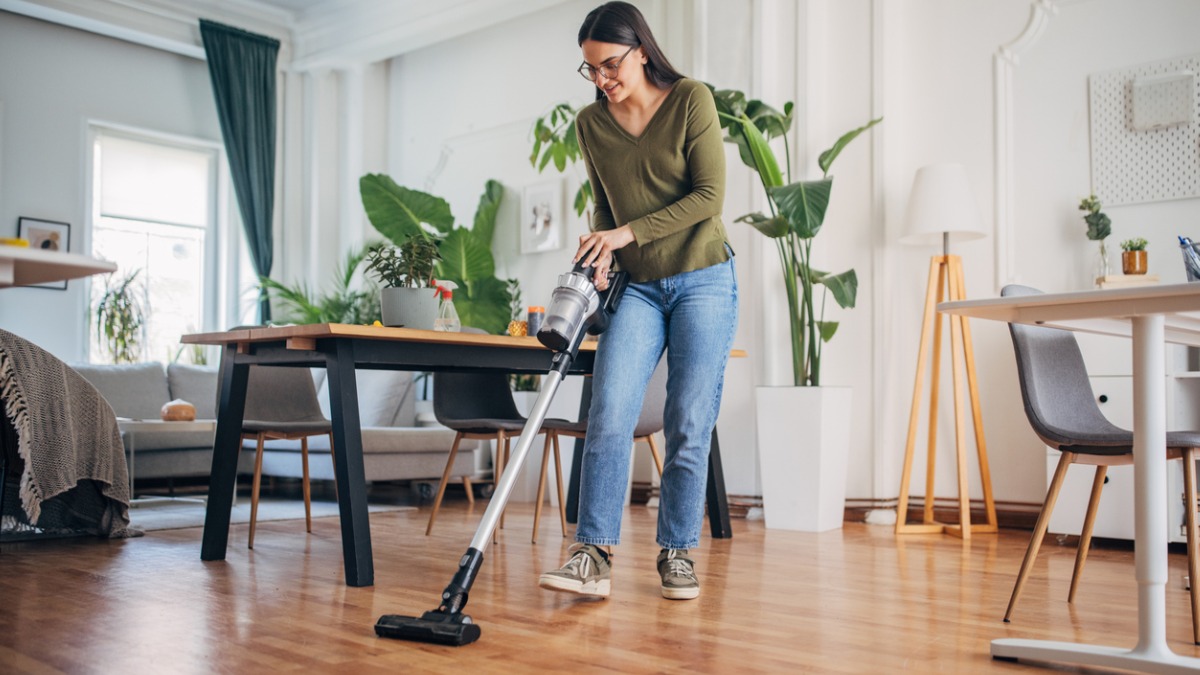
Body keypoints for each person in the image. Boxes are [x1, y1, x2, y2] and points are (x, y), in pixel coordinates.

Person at [538, 1, 737, 602]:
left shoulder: (690, 100)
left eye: (610, 65)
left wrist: (626, 234)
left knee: (688, 419)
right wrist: (604, 253)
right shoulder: (590, 124)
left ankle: (677, 553)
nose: (602, 79)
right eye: (591, 70)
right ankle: (591, 554)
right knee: (610, 412)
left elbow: (709, 196)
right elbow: (604, 207)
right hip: (639, 288)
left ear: (641, 51)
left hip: (703, 276)